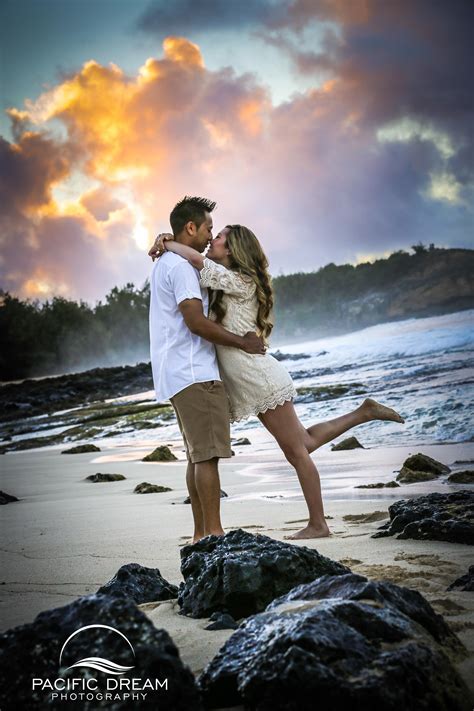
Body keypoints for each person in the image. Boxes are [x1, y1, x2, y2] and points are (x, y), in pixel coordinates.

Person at [149, 223, 405, 540]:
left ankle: (318, 524)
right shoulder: (225, 280)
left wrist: (168, 242)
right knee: (303, 442)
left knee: (298, 450)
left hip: (259, 379)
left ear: (231, 249)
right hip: (250, 379)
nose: (212, 240)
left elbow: (197, 261)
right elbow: (196, 270)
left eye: (219, 237)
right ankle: (363, 412)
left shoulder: (239, 281)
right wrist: (166, 241)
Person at [149, 197, 265, 545]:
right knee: (208, 456)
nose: (210, 234)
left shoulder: (167, 262)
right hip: (194, 371)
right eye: (208, 228)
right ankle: (213, 532)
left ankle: (201, 533)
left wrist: (164, 241)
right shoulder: (181, 268)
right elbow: (196, 322)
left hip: (177, 372)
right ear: (191, 228)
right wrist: (242, 343)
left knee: (197, 456)